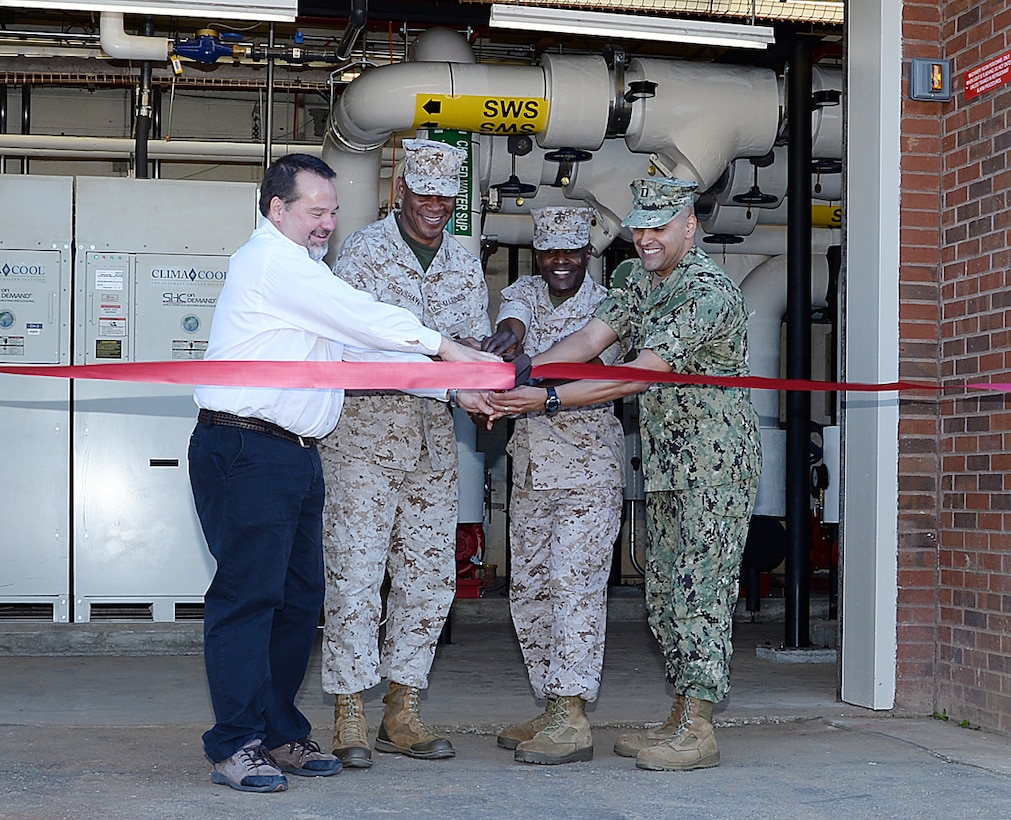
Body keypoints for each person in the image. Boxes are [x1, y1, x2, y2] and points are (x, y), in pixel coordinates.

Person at [188, 152, 497, 793]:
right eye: (315, 211)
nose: (327, 223)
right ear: (277, 209)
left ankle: (277, 731)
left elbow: (358, 351)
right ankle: (235, 743)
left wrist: (455, 389)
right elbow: (367, 321)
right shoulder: (272, 263)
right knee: (248, 601)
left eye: (333, 211)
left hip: (295, 453)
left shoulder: (304, 271)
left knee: (297, 602)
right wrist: (450, 350)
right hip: (246, 451)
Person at [486, 178, 762, 772]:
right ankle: (680, 713)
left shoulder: (705, 292)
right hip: (666, 462)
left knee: (701, 590)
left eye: (659, 226)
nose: (645, 238)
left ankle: (699, 724)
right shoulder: (638, 279)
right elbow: (591, 338)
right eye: (639, 226)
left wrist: (548, 401)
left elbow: (639, 373)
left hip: (714, 464)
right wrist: (522, 373)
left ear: (689, 225)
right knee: (664, 590)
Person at [319, 139, 491, 767]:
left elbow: (466, 345)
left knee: (427, 576)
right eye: (424, 194)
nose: (435, 207)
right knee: (356, 573)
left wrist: (488, 379)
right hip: (363, 437)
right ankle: (349, 709)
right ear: (401, 191)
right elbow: (358, 346)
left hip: (431, 440)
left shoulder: (465, 264)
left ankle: (403, 707)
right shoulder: (364, 253)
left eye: (446, 196)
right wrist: (454, 377)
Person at [482, 206, 627, 765]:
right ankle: (550, 701)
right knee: (531, 588)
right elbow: (514, 321)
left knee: (576, 587)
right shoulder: (525, 289)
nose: (561, 261)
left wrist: (526, 375)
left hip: (589, 468)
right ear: (539, 252)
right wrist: (505, 345)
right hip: (533, 469)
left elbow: (595, 371)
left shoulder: (609, 307)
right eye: (550, 252)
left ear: (587, 253)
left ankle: (572, 714)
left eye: (572, 251)